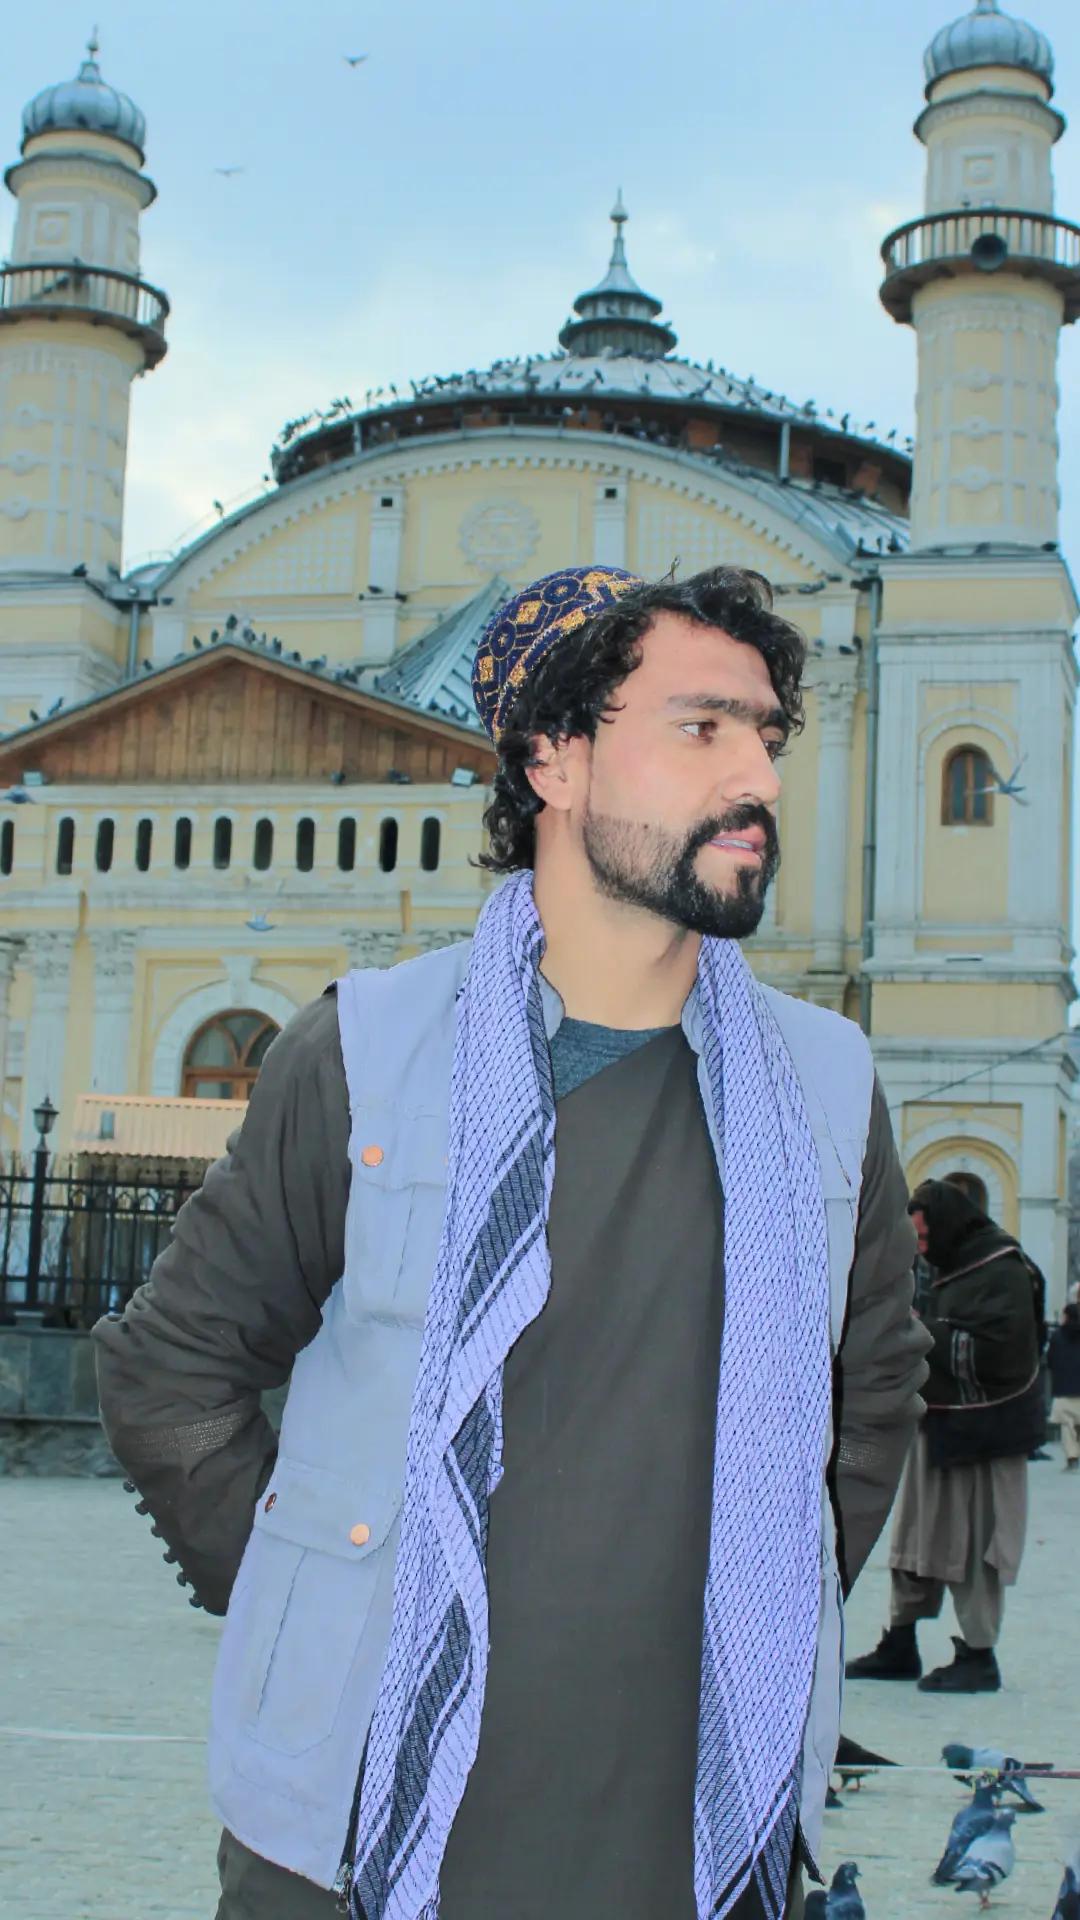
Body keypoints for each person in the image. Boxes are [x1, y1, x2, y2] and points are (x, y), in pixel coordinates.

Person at [92, 564, 930, 1920]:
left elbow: (872, 1387)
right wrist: (326, 1606)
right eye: (702, 729)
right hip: (357, 1831)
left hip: (696, 1829)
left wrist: (766, 1602)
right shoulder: (366, 1053)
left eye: (768, 737)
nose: (760, 780)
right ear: (554, 758)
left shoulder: (827, 1085)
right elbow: (168, 1368)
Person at [846, 1178, 1042, 1694]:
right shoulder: (945, 1268)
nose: (921, 1249)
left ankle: (979, 1655)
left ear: (950, 1226)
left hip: (987, 1435)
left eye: (925, 1237)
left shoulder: (1001, 1269)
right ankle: (900, 1642)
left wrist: (921, 1329)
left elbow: (1002, 1353)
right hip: (938, 1425)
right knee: (916, 1538)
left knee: (976, 1547)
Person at [1048, 1302, 1080, 1470]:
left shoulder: (1057, 1336)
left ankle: (1072, 1458)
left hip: (1064, 1388)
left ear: (1066, 1316)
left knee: (1067, 1425)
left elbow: (1050, 1360)